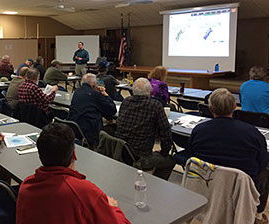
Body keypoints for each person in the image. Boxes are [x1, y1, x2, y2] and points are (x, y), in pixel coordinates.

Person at [179, 88, 269, 219]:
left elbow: (193, 156)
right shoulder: (252, 133)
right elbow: (262, 162)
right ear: (234, 107)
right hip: (242, 190)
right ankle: (258, 214)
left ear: (210, 108)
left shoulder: (199, 131)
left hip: (207, 184)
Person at [16, 123, 131, 224]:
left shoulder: (26, 186)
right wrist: (113, 208)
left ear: (40, 156)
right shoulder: (85, 192)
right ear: (74, 154)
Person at [115, 78, 175, 180]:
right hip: (140, 157)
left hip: (121, 151)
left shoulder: (126, 101)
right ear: (150, 91)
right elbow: (166, 134)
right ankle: (155, 182)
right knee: (170, 161)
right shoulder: (155, 105)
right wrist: (164, 152)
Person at [68, 73, 117, 147]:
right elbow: (112, 110)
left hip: (75, 127)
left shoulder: (77, 91)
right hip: (90, 131)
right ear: (94, 84)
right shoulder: (95, 95)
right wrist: (105, 95)